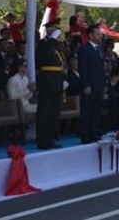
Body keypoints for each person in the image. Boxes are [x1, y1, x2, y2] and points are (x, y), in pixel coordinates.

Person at [35, 18, 65, 150]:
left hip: (56, 81)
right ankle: (42, 141)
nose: (57, 29)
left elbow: (60, 63)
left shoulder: (56, 44)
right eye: (54, 27)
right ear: (48, 29)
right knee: (44, 114)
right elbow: (45, 58)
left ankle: (50, 139)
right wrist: (52, 39)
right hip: (47, 82)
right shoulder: (44, 43)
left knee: (54, 113)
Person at [78, 25, 106, 144]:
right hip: (90, 85)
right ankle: (85, 134)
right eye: (97, 34)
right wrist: (86, 85)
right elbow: (82, 69)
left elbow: (101, 68)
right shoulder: (85, 49)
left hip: (99, 84)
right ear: (90, 35)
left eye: (100, 34)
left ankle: (94, 131)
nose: (100, 36)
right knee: (87, 110)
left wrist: (104, 83)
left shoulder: (99, 49)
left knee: (96, 110)